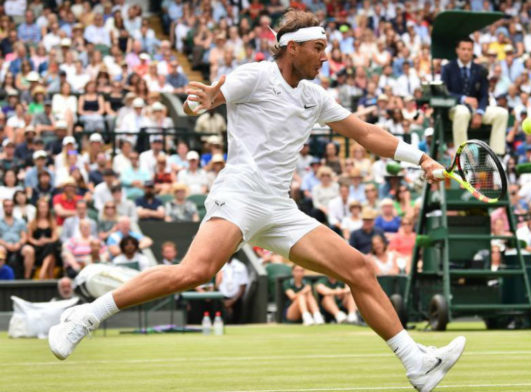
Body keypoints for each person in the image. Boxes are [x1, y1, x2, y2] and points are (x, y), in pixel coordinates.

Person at [49, 12, 461, 392]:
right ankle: (85, 316)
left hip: (279, 207)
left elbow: (366, 133)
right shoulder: (256, 76)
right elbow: (213, 97)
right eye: (318, 48)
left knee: (359, 269)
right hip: (240, 193)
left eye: (326, 48)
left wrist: (421, 158)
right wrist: (204, 100)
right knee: (195, 272)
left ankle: (415, 364)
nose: (325, 56)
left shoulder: (314, 97)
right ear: (292, 47)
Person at [442, 37, 508, 155]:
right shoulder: (448, 68)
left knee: (502, 113)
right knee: (462, 112)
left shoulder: (480, 70)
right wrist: (462, 98)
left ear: (472, 51)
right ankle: (462, 156)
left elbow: (484, 95)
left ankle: (496, 157)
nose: (466, 52)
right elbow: (444, 92)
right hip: (455, 109)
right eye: (463, 49)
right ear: (457, 50)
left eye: (469, 49)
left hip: (476, 109)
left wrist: (480, 112)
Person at [0, 199, 34, 279]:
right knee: (0, 250)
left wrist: (19, 244)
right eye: (6, 206)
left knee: (29, 250)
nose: (8, 208)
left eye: (11, 206)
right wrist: (6, 245)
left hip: (18, 245)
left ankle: (26, 279)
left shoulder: (20, 221)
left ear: (13, 207)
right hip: (4, 245)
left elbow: (24, 236)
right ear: (3, 208)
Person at [27, 199, 60, 280]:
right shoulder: (33, 222)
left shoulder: (52, 222)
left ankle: (43, 271)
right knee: (51, 254)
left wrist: (46, 240)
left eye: (45, 207)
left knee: (51, 246)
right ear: (38, 209)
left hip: (49, 247)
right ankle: (50, 277)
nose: (43, 209)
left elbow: (55, 237)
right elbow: (29, 237)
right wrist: (37, 242)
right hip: (38, 249)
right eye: (41, 207)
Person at [215, 257, 249, 324]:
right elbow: (217, 285)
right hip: (221, 299)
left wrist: (233, 301)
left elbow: (243, 286)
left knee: (237, 323)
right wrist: (223, 302)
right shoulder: (219, 265)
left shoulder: (240, 266)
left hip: (236, 299)